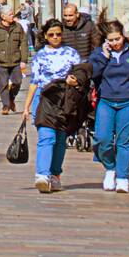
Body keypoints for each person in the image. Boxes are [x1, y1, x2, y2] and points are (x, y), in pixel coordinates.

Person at [88, 18, 129, 194]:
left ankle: (123, 177)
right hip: (106, 100)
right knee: (102, 138)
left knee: (125, 140)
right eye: (111, 40)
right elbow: (93, 73)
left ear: (123, 36)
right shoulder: (98, 53)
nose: (115, 43)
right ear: (105, 39)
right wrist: (104, 56)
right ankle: (110, 167)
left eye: (117, 39)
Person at [21, 19, 83, 193]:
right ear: (45, 36)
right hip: (45, 98)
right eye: (51, 35)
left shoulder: (71, 54)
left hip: (65, 99)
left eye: (58, 34)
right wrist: (26, 107)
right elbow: (34, 82)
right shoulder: (40, 55)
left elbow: (81, 75)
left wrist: (75, 80)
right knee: (46, 137)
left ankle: (55, 175)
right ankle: (42, 175)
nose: (55, 37)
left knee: (61, 140)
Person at [0, 6, 29, 115]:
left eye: (13, 14)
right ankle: (5, 106)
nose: (13, 16)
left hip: (16, 60)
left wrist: (24, 60)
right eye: (10, 14)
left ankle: (11, 98)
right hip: (2, 61)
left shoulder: (18, 27)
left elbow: (24, 43)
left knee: (17, 82)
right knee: (3, 84)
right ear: (3, 16)